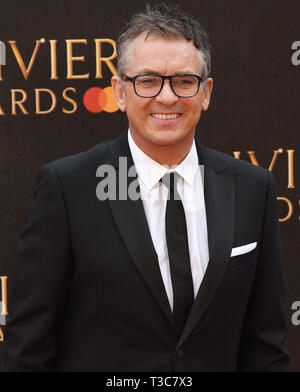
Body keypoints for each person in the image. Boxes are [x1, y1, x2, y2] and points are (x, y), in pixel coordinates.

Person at [4, 3, 289, 371]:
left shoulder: (252, 188)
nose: (167, 97)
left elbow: (266, 347)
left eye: (184, 81)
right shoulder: (68, 189)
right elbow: (28, 346)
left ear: (206, 92)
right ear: (120, 91)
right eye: (148, 80)